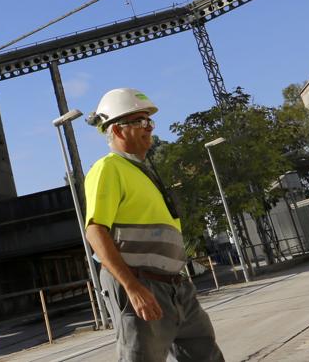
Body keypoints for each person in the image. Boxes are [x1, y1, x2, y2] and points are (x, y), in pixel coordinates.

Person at [83, 88, 224, 362]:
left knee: (206, 355)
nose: (149, 127)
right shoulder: (108, 168)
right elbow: (95, 231)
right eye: (140, 121)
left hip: (176, 286)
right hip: (141, 283)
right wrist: (133, 288)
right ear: (118, 129)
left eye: (149, 121)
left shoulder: (142, 171)